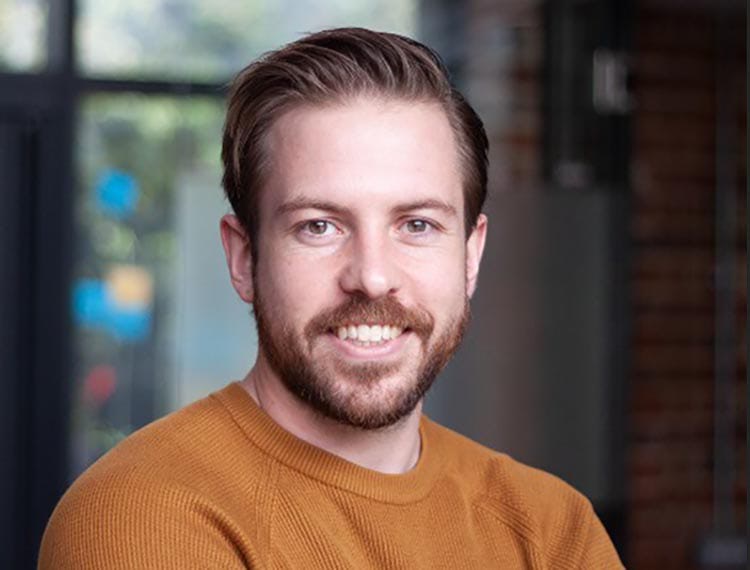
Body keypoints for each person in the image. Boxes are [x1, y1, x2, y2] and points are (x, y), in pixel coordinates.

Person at [39, 28, 624, 569]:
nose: (372, 277)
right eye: (319, 226)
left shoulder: (553, 530)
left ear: (470, 256)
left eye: (417, 225)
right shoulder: (140, 515)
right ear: (243, 258)